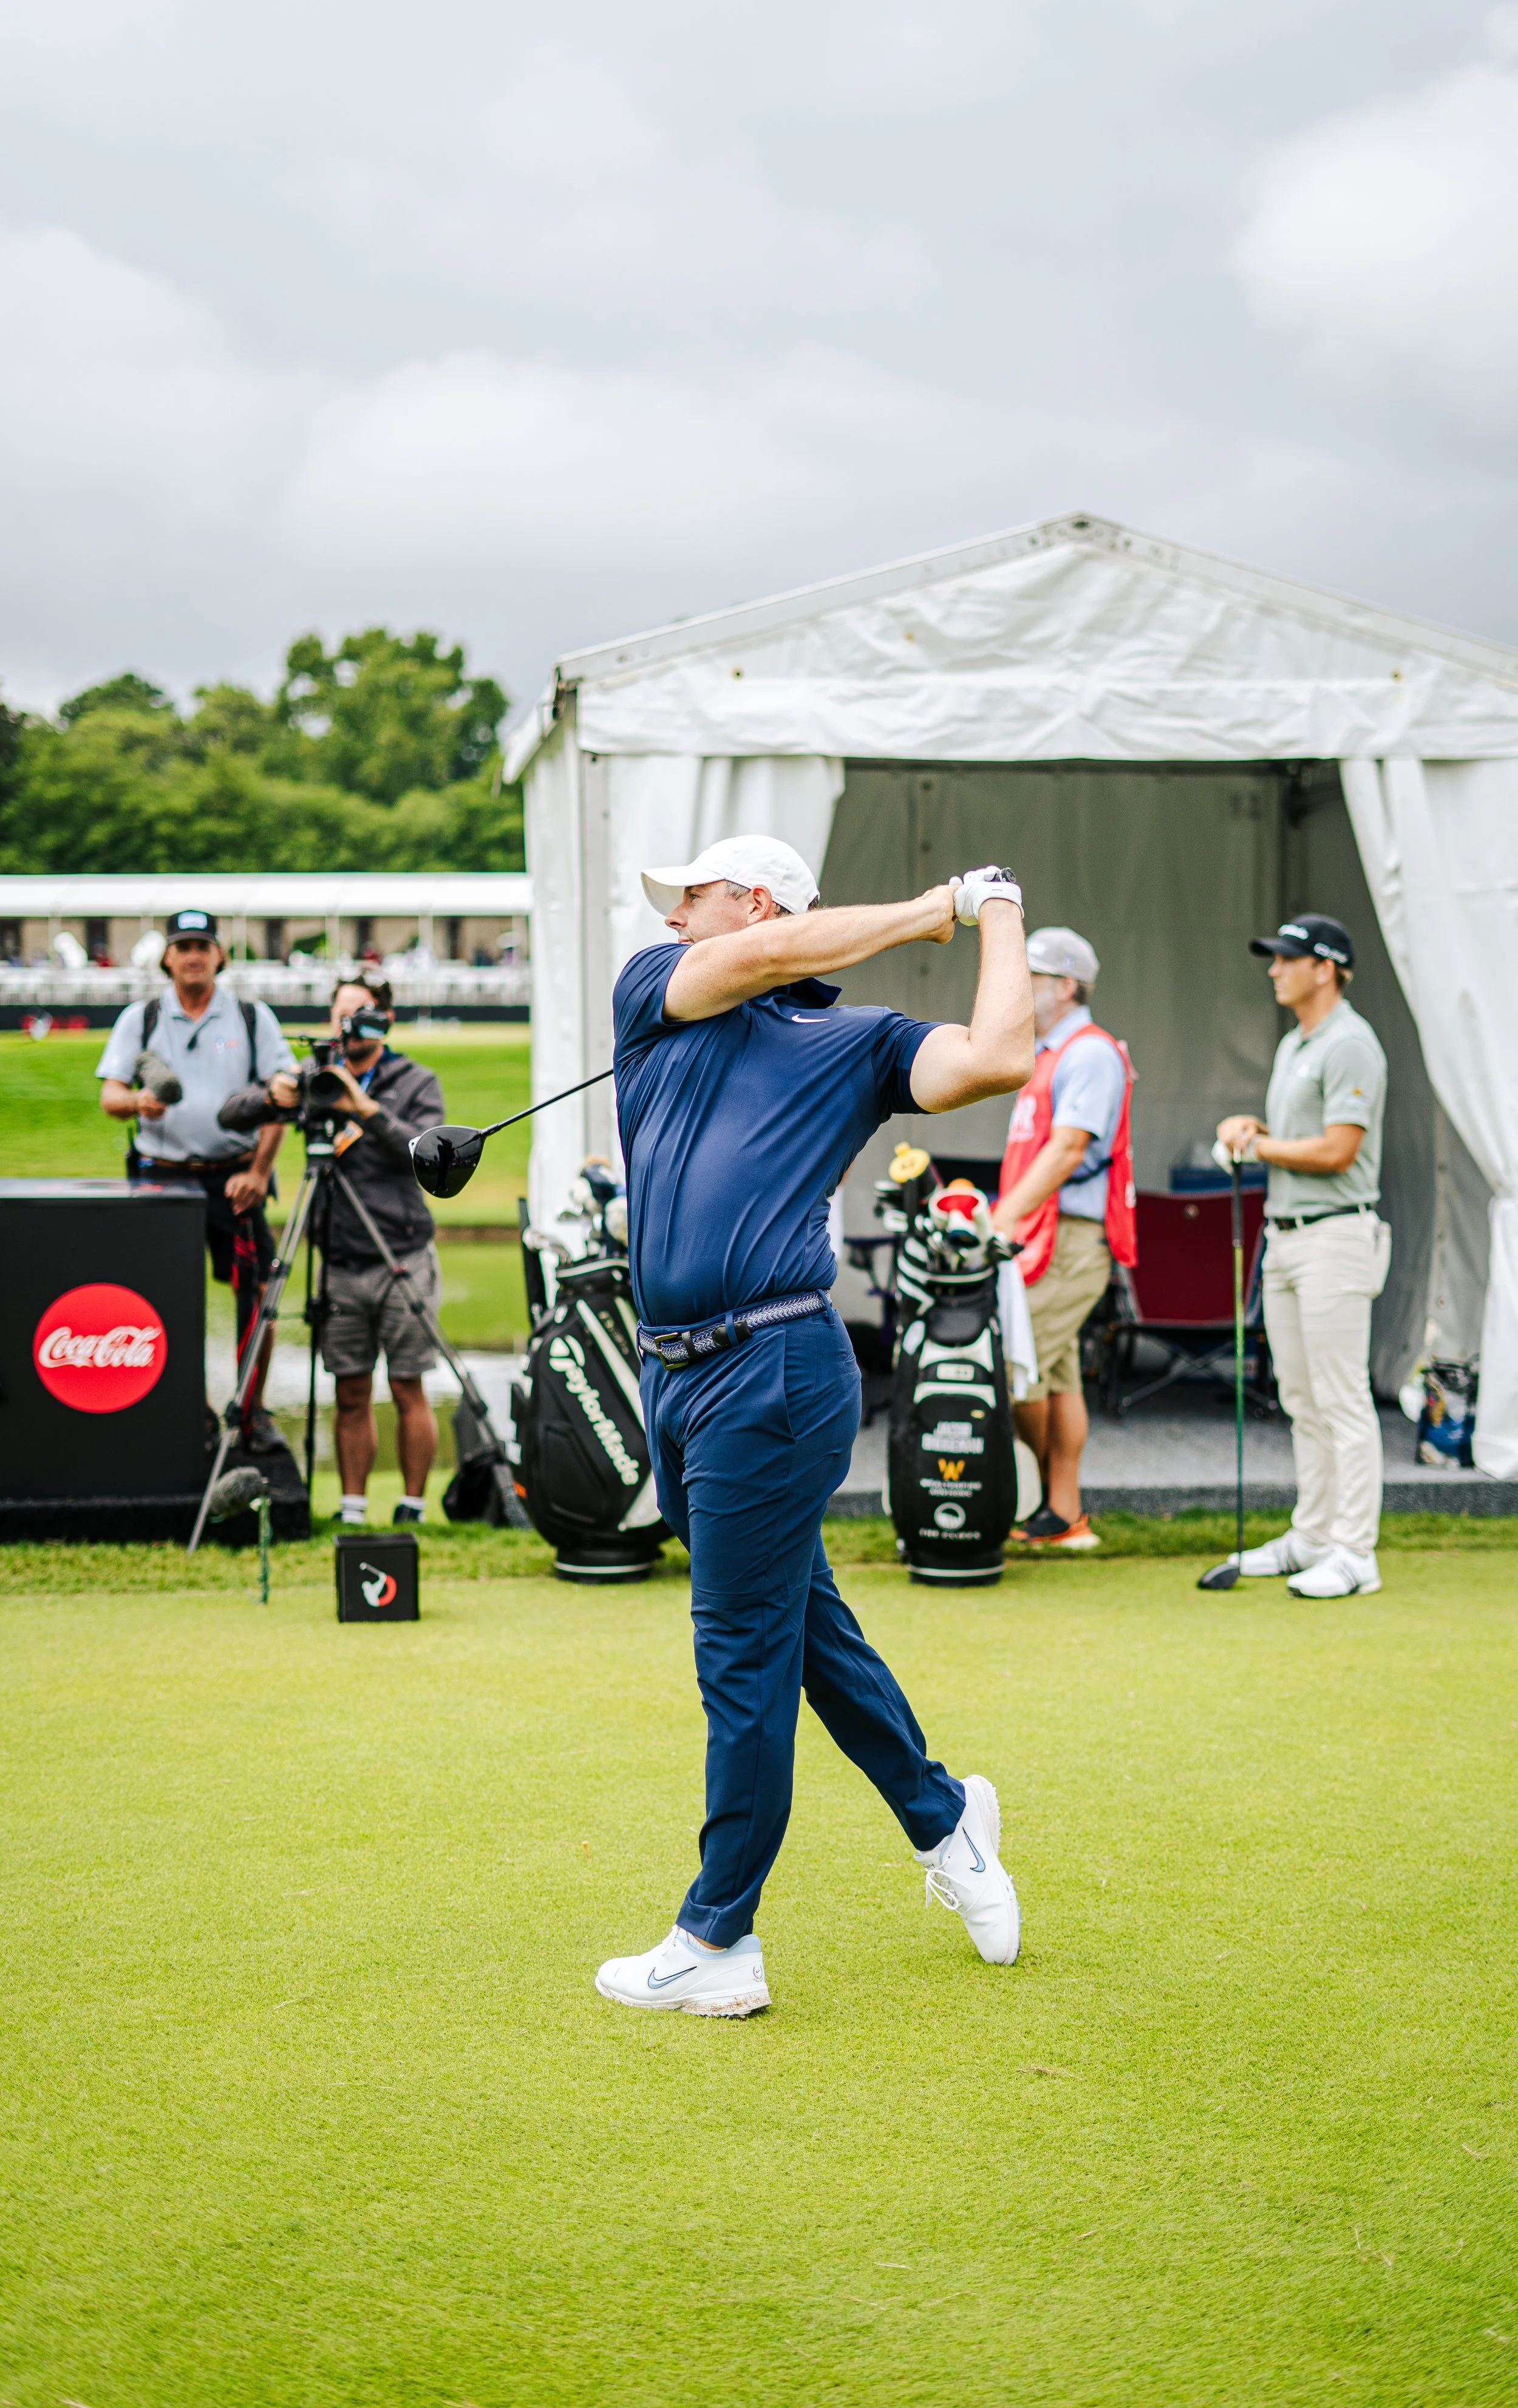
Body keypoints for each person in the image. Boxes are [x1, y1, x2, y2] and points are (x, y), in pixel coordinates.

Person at [593, 835, 1033, 2020]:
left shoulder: (863, 1043)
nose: (672, 918)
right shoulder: (654, 996)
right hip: (673, 1375)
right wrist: (934, 901)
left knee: (739, 1656)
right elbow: (772, 951)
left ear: (746, 895)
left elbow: (998, 1056)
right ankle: (946, 1823)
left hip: (774, 1368)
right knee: (802, 1627)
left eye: (689, 897)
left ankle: (717, 1939)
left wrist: (991, 913)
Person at [1217, 913, 1390, 1599]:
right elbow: (1301, 1134)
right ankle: (1313, 1534)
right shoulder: (1297, 1044)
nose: (1273, 969)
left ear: (1325, 967)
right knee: (1300, 1396)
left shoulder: (1351, 1043)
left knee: (1342, 1397)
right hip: (1287, 1237)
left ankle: (1356, 1551)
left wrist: (1255, 1148)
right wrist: (1253, 1128)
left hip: (1337, 1237)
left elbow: (1337, 1149)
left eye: (1286, 958)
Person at [97, 907, 295, 1451]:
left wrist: (259, 1172)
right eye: (183, 947)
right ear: (167, 957)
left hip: (235, 1178)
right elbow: (109, 1094)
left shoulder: (252, 1017)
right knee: (162, 1296)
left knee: (255, 1293)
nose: (192, 957)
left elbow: (283, 1100)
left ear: (219, 956)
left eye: (202, 947)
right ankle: (184, 1407)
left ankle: (252, 1411)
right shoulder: (142, 1017)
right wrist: (139, 1100)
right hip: (160, 1179)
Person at [264, 978, 447, 1527]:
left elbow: (428, 1152)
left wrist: (363, 1107)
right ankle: (352, 1508)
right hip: (339, 1258)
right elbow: (238, 1114)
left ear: (383, 1019)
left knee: (408, 1383)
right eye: (339, 1013)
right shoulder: (315, 1078)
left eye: (359, 1014)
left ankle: (412, 1506)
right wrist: (276, 1093)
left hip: (402, 1254)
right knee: (350, 1388)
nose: (346, 1025)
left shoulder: (415, 1080)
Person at [990, 927, 1135, 1551]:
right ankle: (1063, 1513)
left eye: (1031, 977)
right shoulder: (1048, 1052)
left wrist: (1002, 1218)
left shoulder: (1089, 1052)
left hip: (1068, 1238)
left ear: (1066, 985)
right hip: (1044, 1234)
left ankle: (1029, 1503)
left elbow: (1070, 1146)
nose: (1018, 988)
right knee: (1056, 1375)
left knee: (1011, 1367)